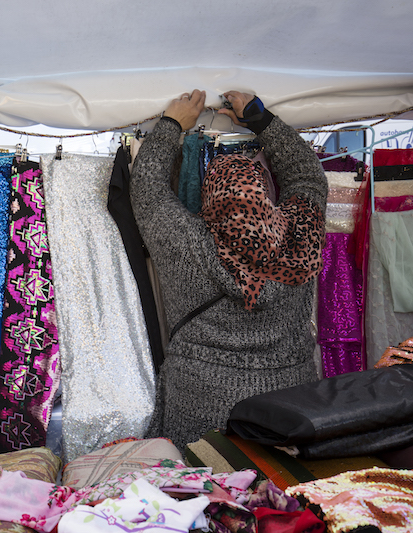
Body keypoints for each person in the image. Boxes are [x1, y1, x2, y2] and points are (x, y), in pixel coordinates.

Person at [130, 90, 328, 449]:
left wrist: (172, 124)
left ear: (211, 200)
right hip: (290, 402)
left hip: (200, 400)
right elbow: (307, 178)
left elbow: (147, 189)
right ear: (266, 197)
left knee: (204, 494)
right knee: (282, 494)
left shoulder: (187, 244)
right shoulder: (301, 238)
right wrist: (261, 120)